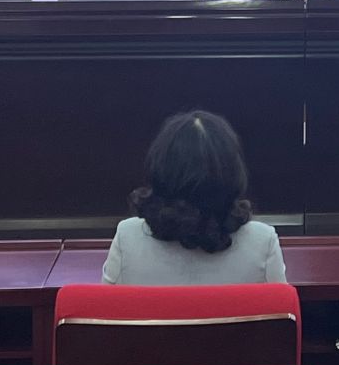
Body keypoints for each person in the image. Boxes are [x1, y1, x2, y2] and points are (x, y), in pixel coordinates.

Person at [104, 109, 286, 284]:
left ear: (160, 169)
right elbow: (283, 306)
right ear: (232, 172)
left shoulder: (128, 237)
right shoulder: (263, 241)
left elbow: (105, 306)